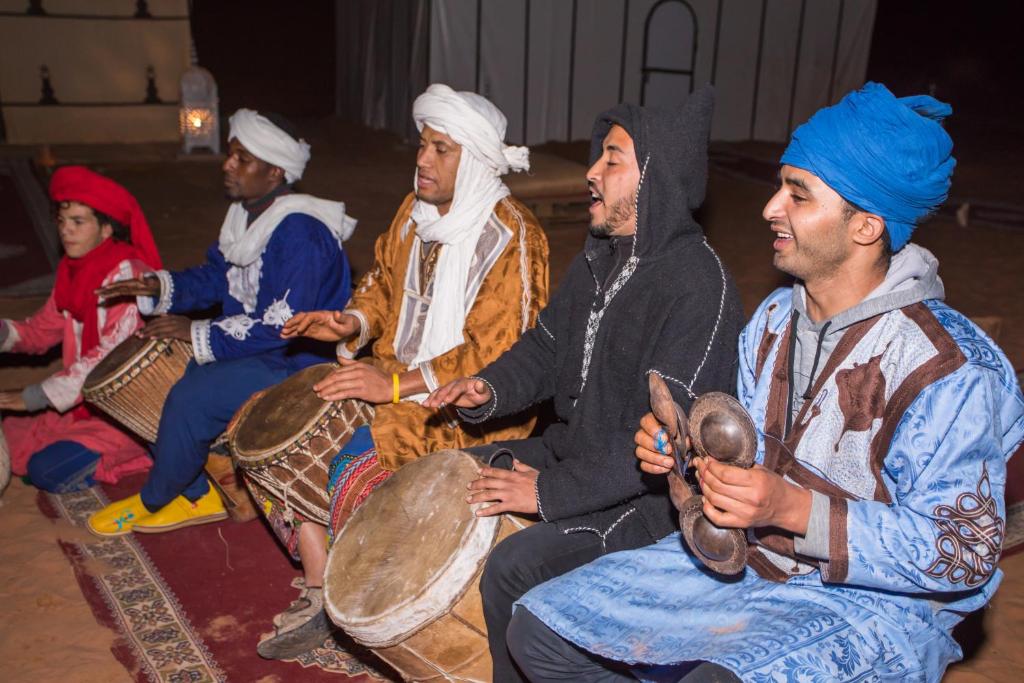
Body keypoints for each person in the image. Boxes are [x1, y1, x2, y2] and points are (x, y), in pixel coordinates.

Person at [507, 82, 1024, 683]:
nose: (769, 207)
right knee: (540, 629)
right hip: (750, 563)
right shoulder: (777, 320)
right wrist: (680, 450)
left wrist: (797, 509)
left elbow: (963, 553)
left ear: (865, 226)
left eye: (797, 195)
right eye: (781, 185)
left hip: (872, 608)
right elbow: (742, 453)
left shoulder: (950, 368)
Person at [426, 86, 745, 682]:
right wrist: (487, 388)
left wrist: (546, 493)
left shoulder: (698, 286)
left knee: (512, 568)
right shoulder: (601, 256)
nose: (592, 171)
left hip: (645, 501)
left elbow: (662, 447)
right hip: (576, 453)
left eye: (611, 159)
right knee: (452, 477)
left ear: (654, 177)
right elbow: (547, 346)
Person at [252, 84, 549, 659]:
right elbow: (384, 286)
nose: (422, 160)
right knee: (273, 439)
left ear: (477, 159)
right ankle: (322, 587)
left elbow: (498, 352)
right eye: (422, 145)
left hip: (467, 409)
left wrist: (392, 386)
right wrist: (349, 323)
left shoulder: (513, 237)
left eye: (442, 149)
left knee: (353, 459)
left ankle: (372, 600)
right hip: (396, 375)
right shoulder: (412, 215)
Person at [87, 109, 356, 536]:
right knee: (176, 372)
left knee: (193, 397)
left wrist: (197, 332)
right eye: (231, 155)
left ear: (274, 172)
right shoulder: (246, 215)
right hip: (262, 346)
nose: (227, 166)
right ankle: (197, 493)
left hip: (297, 360)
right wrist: (156, 287)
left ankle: (157, 497)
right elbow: (219, 276)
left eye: (241, 159)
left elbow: (283, 323)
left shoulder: (301, 232)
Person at [0, 167, 161, 492]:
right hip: (85, 402)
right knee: (15, 430)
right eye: (62, 221)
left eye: (77, 222)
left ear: (105, 229)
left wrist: (36, 396)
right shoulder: (74, 271)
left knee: (44, 470)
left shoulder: (128, 278)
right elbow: (42, 330)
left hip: (127, 408)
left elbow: (108, 361)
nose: (65, 232)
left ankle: (148, 452)